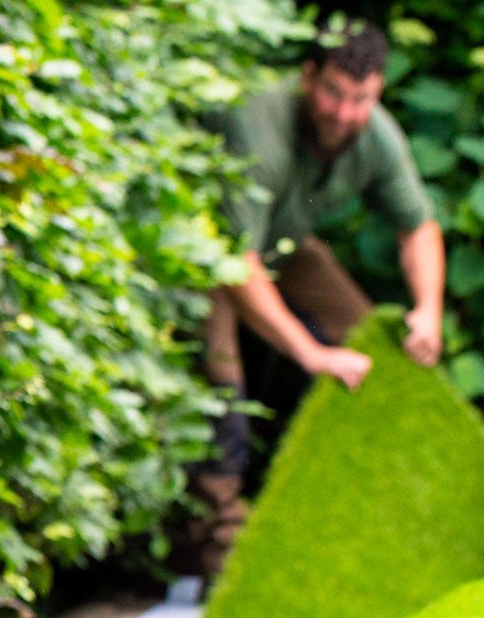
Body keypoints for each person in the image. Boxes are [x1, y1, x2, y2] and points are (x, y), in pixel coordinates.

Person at [186, 17, 446, 578]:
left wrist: (428, 309)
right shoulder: (259, 129)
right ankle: (220, 548)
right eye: (334, 93)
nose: (344, 113)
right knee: (221, 371)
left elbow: (418, 229)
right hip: (204, 257)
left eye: (361, 99)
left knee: (372, 342)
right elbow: (236, 266)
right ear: (308, 76)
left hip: (282, 248)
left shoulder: (372, 133)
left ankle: (365, 517)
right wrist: (310, 351)